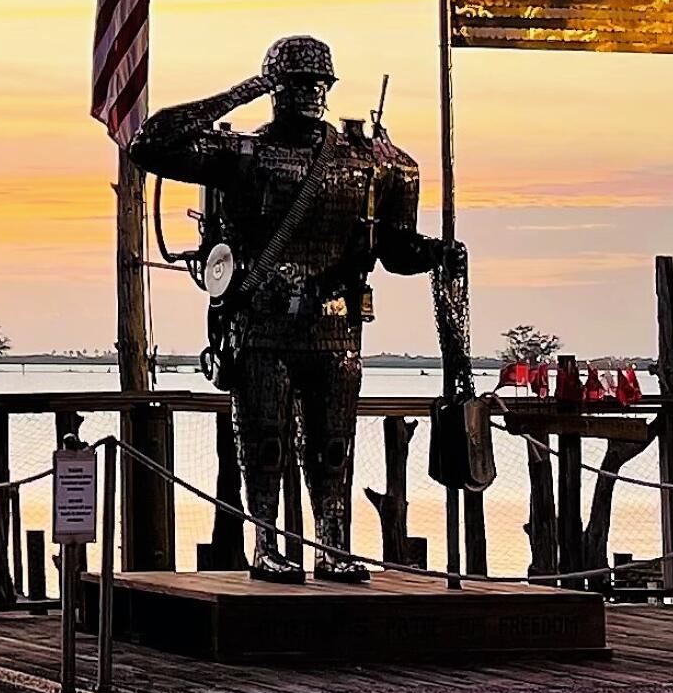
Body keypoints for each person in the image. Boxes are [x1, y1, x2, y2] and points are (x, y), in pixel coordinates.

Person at [130, 34, 456, 581]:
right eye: (297, 83)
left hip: (336, 328)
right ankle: (266, 543)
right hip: (261, 326)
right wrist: (241, 92)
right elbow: (150, 143)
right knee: (263, 444)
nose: (310, 93)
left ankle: (333, 545)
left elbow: (394, 249)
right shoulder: (243, 155)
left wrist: (436, 254)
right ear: (276, 89)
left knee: (333, 446)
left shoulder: (376, 163)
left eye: (317, 83)